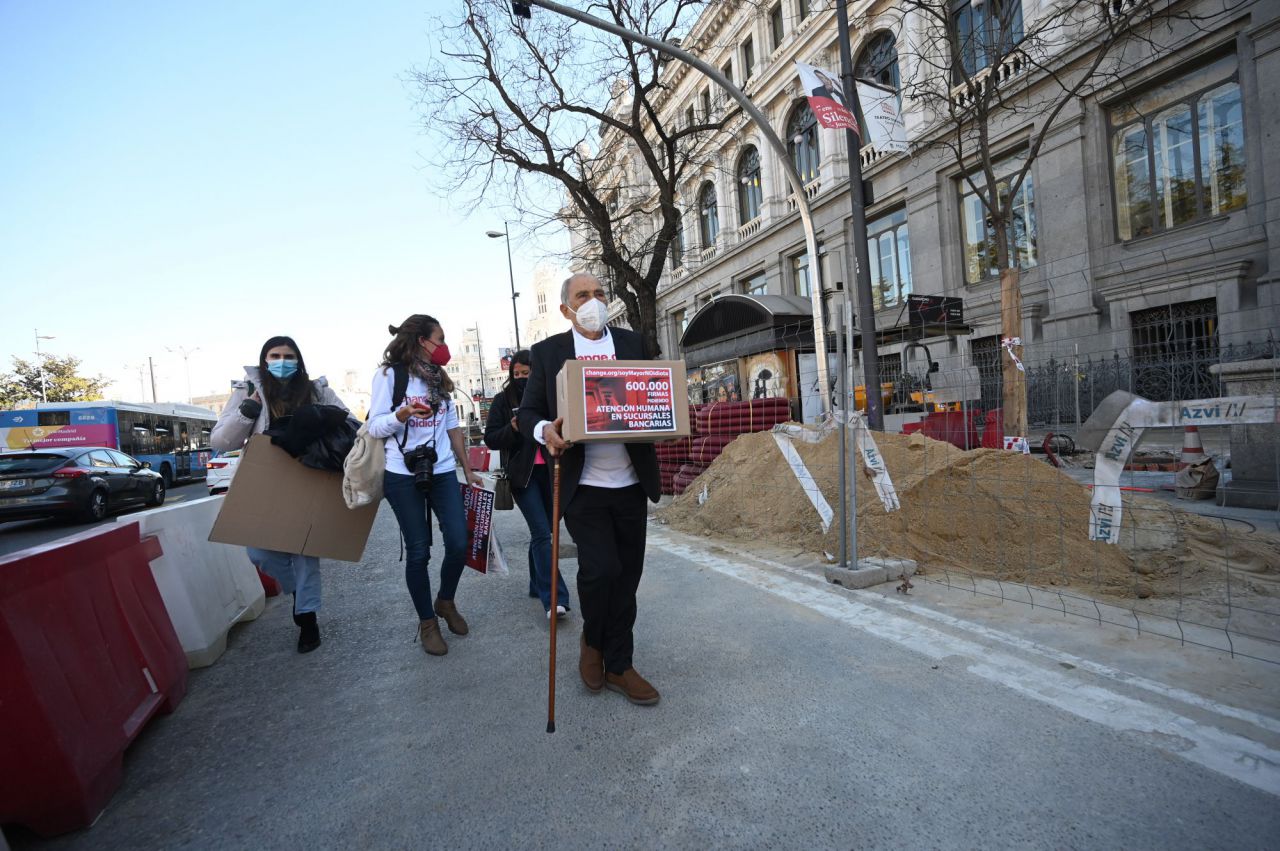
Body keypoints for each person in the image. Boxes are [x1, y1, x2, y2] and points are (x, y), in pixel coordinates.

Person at [518, 273, 663, 706]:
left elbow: (656, 392)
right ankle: (592, 643)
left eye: (599, 293)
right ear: (566, 309)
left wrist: (668, 415)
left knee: (628, 578)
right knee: (600, 570)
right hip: (584, 485)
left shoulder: (633, 344)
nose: (593, 301)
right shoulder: (548, 353)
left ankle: (619, 664)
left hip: (631, 482)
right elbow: (529, 413)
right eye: (583, 295)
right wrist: (546, 431)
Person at [211, 335, 349, 653]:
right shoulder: (247, 390)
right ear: (264, 360)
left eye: (288, 356)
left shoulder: (317, 390)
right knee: (258, 552)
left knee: (304, 553)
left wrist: (321, 417)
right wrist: (248, 411)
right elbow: (221, 441)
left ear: (298, 360)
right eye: (274, 356)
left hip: (308, 474)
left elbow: (349, 422)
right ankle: (300, 594)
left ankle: (307, 619)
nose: (282, 361)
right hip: (264, 479)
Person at [368, 315, 482, 657]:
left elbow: (453, 428)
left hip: (442, 469)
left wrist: (468, 470)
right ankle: (427, 622)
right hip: (402, 473)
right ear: (422, 341)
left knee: (459, 542)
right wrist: (402, 415)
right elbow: (375, 426)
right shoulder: (390, 376)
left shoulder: (439, 378)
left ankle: (445, 601)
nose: (444, 347)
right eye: (440, 339)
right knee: (419, 551)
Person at [483, 350, 571, 619]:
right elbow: (491, 439)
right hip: (523, 477)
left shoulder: (549, 396)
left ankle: (536, 583)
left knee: (545, 532)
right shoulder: (503, 400)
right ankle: (555, 598)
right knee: (542, 533)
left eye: (526, 373)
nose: (521, 378)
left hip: (552, 472)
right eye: (516, 374)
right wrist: (512, 428)